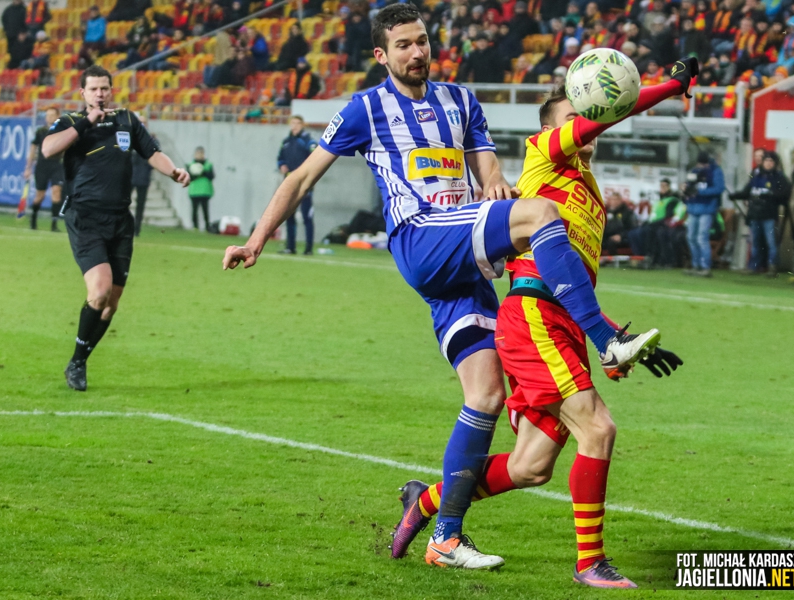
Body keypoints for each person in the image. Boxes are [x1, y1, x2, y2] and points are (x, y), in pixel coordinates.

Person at [223, 3, 667, 571]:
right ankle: (605, 340)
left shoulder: (461, 101)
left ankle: (445, 536)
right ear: (381, 55)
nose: (417, 53)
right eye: (404, 45)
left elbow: (488, 169)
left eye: (422, 41)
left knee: (485, 395)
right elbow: (303, 175)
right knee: (541, 216)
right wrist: (257, 239)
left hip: (464, 261)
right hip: (421, 236)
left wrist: (495, 183)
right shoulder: (365, 108)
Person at [388, 72, 694, 588]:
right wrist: (669, 86)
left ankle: (427, 500)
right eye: (575, 116)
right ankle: (590, 564)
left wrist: (611, 331)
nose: (587, 122)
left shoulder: (590, 194)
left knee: (531, 466)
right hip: (533, 318)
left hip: (562, 321)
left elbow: (572, 282)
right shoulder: (543, 156)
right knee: (598, 428)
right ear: (553, 129)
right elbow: (603, 115)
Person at [42, 65, 189, 391]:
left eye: (105, 88)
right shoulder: (70, 121)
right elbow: (49, 149)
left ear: (112, 90)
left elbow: (152, 152)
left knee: (111, 303)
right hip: (86, 217)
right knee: (99, 291)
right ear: (83, 93)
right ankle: (77, 363)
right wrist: (86, 122)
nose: (100, 94)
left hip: (120, 220)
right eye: (94, 89)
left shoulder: (127, 120)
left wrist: (174, 171)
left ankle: (78, 360)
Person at [730, 151, 791, 275]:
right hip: (755, 214)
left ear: (775, 163)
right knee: (755, 242)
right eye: (766, 161)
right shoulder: (756, 176)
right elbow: (747, 191)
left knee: (771, 242)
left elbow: (785, 193)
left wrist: (771, 195)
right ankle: (754, 266)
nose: (768, 163)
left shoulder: (779, 178)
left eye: (771, 161)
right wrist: (735, 195)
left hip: (769, 215)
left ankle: (772, 266)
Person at [277, 115, 317, 255]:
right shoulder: (286, 142)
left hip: (304, 185)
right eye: (292, 123)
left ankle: (308, 248)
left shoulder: (308, 142)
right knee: (289, 215)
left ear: (302, 125)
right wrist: (281, 165)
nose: (294, 126)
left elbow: (315, 159)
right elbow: (280, 158)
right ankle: (290, 247)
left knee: (307, 217)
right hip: (289, 184)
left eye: (297, 123)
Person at [683, 151, 724, 277]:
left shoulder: (716, 171)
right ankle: (696, 265)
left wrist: (699, 191)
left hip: (707, 209)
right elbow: (689, 186)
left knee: (702, 238)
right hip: (693, 208)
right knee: (691, 237)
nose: (700, 165)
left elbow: (719, 188)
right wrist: (685, 189)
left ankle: (705, 267)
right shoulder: (694, 171)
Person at [24, 107, 65, 232]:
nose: (49, 117)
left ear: (58, 116)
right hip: (42, 166)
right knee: (39, 195)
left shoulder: (63, 131)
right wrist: (28, 167)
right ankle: (33, 219)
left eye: (52, 115)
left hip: (57, 166)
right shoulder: (41, 131)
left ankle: (54, 224)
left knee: (56, 193)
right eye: (47, 115)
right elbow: (33, 149)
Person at [630, 178, 683, 267]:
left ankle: (654, 258)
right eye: (661, 186)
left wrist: (654, 223)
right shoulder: (658, 201)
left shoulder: (672, 200)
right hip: (655, 223)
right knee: (634, 233)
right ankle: (641, 256)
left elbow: (669, 216)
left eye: (665, 186)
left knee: (652, 232)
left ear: (669, 187)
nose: (663, 188)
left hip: (665, 224)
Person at [131, 114, 153, 236]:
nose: (142, 125)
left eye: (144, 122)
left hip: (143, 177)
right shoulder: (129, 137)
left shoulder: (151, 139)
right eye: (140, 122)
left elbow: (155, 157)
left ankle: (136, 228)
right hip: (129, 176)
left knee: (140, 205)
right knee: (123, 203)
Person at [186, 147, 214, 232]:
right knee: (194, 210)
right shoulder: (190, 165)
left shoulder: (208, 165)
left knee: (205, 210)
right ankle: (195, 226)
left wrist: (203, 172)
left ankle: (207, 226)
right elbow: (189, 177)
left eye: (201, 153)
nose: (199, 155)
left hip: (205, 191)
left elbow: (211, 176)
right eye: (198, 153)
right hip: (194, 191)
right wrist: (195, 174)